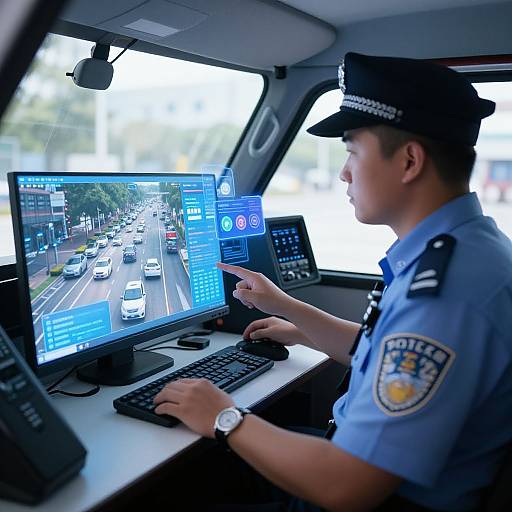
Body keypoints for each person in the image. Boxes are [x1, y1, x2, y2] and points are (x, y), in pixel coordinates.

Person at [153, 53, 512, 511]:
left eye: (352, 151)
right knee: (202, 470)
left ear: (409, 161)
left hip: (371, 495)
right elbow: (388, 356)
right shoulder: (469, 249)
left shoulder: (446, 294)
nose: (344, 172)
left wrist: (223, 416)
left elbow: (346, 486)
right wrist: (292, 313)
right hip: (370, 470)